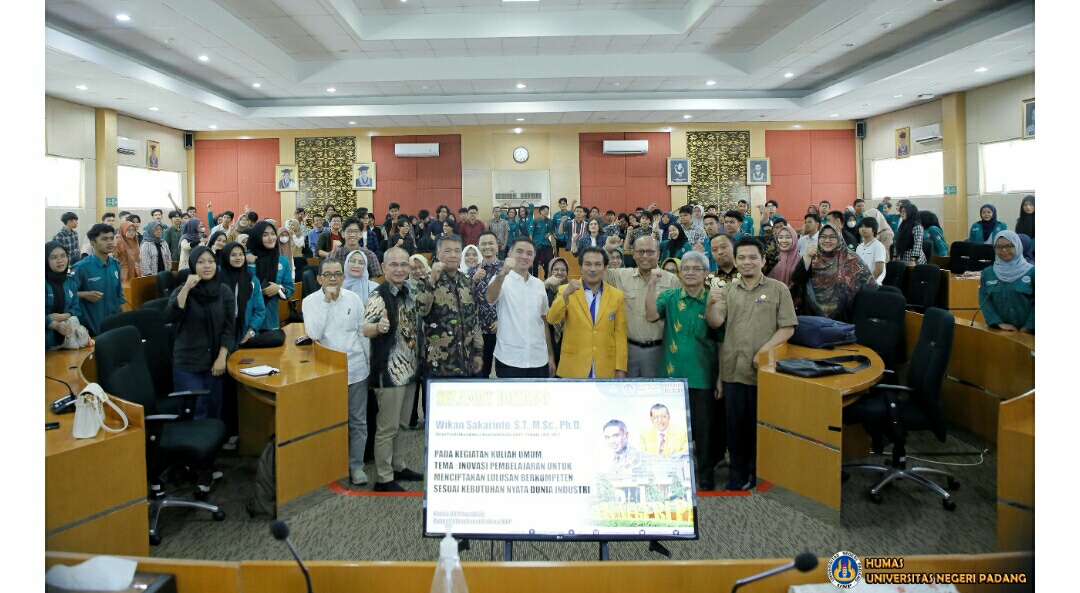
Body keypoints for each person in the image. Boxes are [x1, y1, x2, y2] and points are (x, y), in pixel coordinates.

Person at [706, 236, 797, 491]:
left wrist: (764, 351)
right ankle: (737, 474)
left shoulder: (779, 290)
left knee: (761, 426)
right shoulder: (727, 291)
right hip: (733, 370)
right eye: (742, 257)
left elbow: (788, 328)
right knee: (735, 428)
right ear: (736, 261)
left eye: (753, 257)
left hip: (763, 372)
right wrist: (710, 305)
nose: (747, 262)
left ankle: (759, 472)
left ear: (763, 260)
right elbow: (715, 322)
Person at [645, 250, 718, 488]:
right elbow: (651, 315)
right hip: (670, 374)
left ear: (706, 273)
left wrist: (720, 378)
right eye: (685, 268)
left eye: (696, 268)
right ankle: (673, 476)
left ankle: (705, 475)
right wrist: (651, 285)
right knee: (670, 429)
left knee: (704, 430)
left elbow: (721, 338)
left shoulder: (713, 298)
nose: (690, 272)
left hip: (702, 375)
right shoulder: (670, 297)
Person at [303, 257, 373, 486]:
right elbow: (314, 333)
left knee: (358, 421)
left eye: (336, 274)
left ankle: (356, 466)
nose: (332, 278)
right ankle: (331, 465)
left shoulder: (353, 299)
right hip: (328, 373)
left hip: (356, 369)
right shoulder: (310, 302)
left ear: (343, 277)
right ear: (319, 279)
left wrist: (368, 365)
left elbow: (362, 333)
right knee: (330, 421)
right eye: (327, 275)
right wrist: (326, 301)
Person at [363, 247, 425, 492]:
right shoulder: (378, 296)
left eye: (404, 265)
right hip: (389, 373)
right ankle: (384, 478)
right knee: (387, 428)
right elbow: (366, 328)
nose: (399, 269)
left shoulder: (408, 291)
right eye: (394, 265)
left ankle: (398, 466)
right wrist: (378, 327)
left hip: (410, 369)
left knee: (403, 424)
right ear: (384, 267)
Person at [166, 246, 235, 424]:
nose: (207, 266)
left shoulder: (224, 292)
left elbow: (229, 328)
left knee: (214, 413)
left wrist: (222, 357)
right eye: (201, 262)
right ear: (192, 265)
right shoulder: (183, 290)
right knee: (195, 414)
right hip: (188, 364)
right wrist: (187, 288)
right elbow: (171, 316)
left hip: (215, 363)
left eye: (211, 262)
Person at [604, 236, 680, 378]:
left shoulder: (671, 280)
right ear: (633, 254)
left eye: (650, 252)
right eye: (640, 252)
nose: (645, 256)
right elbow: (599, 272)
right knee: (627, 390)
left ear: (658, 254)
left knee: (655, 391)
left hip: (659, 350)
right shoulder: (621, 276)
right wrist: (607, 250)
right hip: (628, 350)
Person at [546, 248, 628, 378]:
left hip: (606, 367)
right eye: (588, 264)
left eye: (598, 264)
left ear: (605, 268)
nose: (593, 269)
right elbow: (552, 319)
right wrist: (565, 295)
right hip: (573, 367)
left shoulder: (617, 296)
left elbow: (620, 336)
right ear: (580, 267)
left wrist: (620, 368)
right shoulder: (566, 290)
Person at [485, 237, 556, 378]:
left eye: (529, 253)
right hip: (509, 359)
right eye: (519, 251)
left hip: (538, 359)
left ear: (534, 257)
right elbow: (490, 298)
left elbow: (543, 321)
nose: (524, 256)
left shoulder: (539, 285)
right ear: (509, 254)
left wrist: (550, 356)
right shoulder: (501, 279)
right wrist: (502, 273)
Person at [416, 235, 484, 378]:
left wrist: (478, 352)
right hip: (438, 363)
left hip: (465, 361)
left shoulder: (467, 281)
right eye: (448, 251)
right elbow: (421, 311)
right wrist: (432, 280)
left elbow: (475, 319)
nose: (453, 255)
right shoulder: (425, 280)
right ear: (438, 254)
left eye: (457, 251)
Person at [791, 224, 876, 320]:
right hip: (813, 317)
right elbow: (798, 280)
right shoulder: (813, 257)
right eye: (823, 237)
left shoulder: (852, 259)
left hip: (844, 318)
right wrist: (806, 256)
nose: (827, 240)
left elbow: (870, 287)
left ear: (839, 238)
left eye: (832, 237)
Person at [979, 231, 1034, 334]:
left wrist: (1028, 327)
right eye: (998, 247)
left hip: (1030, 333)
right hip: (1001, 332)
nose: (1003, 250)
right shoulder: (988, 273)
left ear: (1017, 246)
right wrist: (998, 323)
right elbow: (984, 300)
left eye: (1009, 246)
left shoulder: (1032, 272)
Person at [247, 221, 295, 330]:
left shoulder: (282, 260)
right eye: (265, 235)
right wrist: (258, 290)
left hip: (270, 320)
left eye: (273, 234)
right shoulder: (246, 258)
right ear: (257, 236)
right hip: (248, 319)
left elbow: (289, 288)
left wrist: (278, 288)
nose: (270, 238)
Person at [469, 232, 504, 378]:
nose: (487, 246)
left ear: (497, 246)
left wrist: (501, 320)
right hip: (480, 329)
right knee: (481, 372)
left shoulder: (506, 269)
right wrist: (473, 280)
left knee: (503, 372)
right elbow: (466, 299)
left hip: (502, 328)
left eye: (491, 243)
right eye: (483, 244)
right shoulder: (472, 271)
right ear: (479, 247)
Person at [46, 242, 83, 350]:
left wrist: (63, 316)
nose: (60, 260)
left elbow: (76, 309)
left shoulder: (70, 281)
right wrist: (54, 324)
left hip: (66, 340)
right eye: (54, 257)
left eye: (63, 256)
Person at [543, 257, 569, 366]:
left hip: (566, 338)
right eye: (556, 269)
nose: (559, 272)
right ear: (550, 271)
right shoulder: (543, 289)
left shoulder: (571, 290)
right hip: (547, 337)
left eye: (563, 270)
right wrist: (545, 284)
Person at [524, 203, 555, 276]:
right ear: (541, 211)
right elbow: (530, 232)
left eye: (547, 211)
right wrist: (531, 243)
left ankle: (546, 277)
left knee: (548, 261)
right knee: (535, 262)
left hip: (546, 244)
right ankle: (535, 278)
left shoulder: (549, 221)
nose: (546, 212)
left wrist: (549, 233)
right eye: (545, 211)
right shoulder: (535, 221)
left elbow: (552, 230)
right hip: (536, 244)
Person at [893, 200, 926, 266]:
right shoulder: (902, 225)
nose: (902, 214)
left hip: (914, 259)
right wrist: (894, 256)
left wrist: (912, 259)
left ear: (910, 212)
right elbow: (897, 242)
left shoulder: (917, 226)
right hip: (902, 257)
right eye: (901, 211)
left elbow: (917, 244)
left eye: (904, 211)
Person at [855, 218, 888, 285]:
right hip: (860, 283)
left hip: (874, 284)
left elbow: (879, 268)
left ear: (874, 230)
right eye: (861, 227)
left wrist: (868, 282)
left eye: (867, 227)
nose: (863, 229)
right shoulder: (859, 247)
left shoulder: (878, 246)